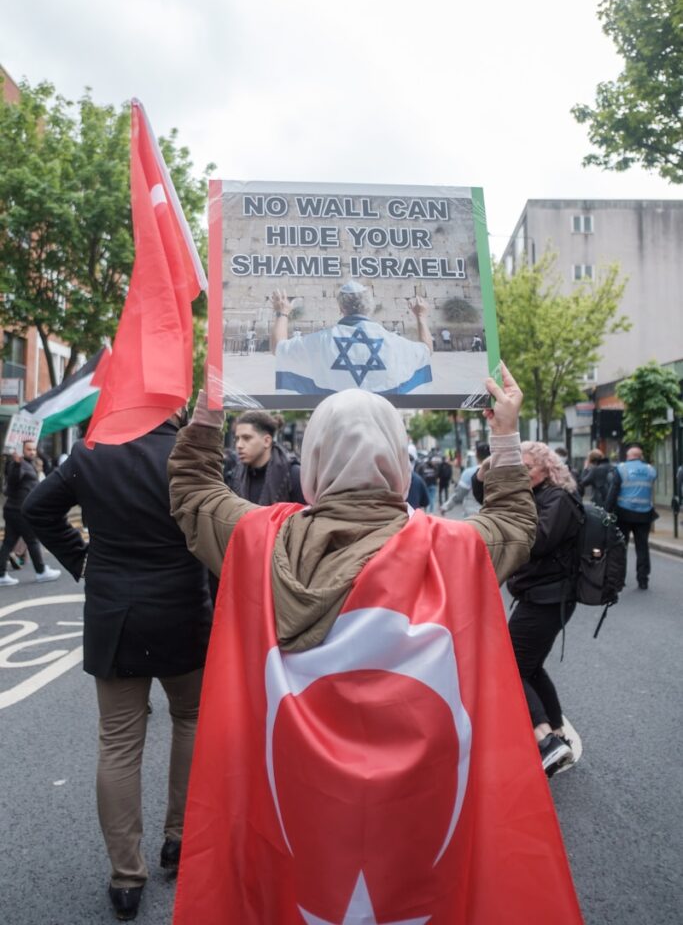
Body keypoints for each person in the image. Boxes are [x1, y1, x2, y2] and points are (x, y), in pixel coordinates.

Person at [165, 367, 585, 924]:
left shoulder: (258, 542)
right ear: (399, 458)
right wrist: (504, 434)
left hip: (303, 816)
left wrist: (206, 418)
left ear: (313, 458)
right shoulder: (454, 550)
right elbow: (513, 521)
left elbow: (194, 494)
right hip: (420, 818)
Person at [23, 418, 213, 922]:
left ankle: (126, 878)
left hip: (114, 613)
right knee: (190, 719)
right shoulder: (189, 451)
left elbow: (37, 507)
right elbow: (223, 528)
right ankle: (178, 838)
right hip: (182, 610)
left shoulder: (90, 452)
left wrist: (81, 559)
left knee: (118, 741)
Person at [506, 442, 582, 776]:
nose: (522, 474)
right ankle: (559, 734)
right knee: (531, 667)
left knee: (509, 666)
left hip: (548, 598)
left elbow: (538, 541)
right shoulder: (540, 496)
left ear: (546, 469)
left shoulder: (559, 499)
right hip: (541, 595)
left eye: (527, 468)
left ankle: (545, 739)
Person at [270, 281, 433, 395]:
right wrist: (421, 317)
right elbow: (426, 351)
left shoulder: (321, 341)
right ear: (370, 307)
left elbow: (279, 348)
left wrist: (282, 313)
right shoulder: (394, 343)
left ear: (341, 308)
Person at [0, 440, 61, 586]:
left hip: (14, 510)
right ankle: (41, 571)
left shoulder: (30, 463)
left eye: (34, 449)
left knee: (9, 543)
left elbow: (45, 467)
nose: (32, 452)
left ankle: (1, 574)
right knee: (32, 540)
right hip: (19, 510)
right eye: (29, 449)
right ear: (22, 450)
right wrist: (17, 463)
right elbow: (13, 481)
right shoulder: (17, 464)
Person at [607, 445, 657, 590]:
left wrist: (607, 510)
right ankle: (643, 579)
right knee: (642, 547)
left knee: (621, 547)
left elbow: (613, 490)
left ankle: (619, 579)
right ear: (640, 456)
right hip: (644, 514)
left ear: (629, 456)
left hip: (624, 513)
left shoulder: (621, 469)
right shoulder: (650, 470)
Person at [230, 410, 305, 505]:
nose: (239, 445)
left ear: (267, 441)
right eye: (237, 439)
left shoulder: (293, 474)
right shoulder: (235, 475)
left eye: (246, 438)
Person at [441, 442, 490, 517]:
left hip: (473, 516)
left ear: (476, 455)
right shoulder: (497, 472)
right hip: (492, 516)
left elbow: (458, 495)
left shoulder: (468, 473)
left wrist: (445, 507)